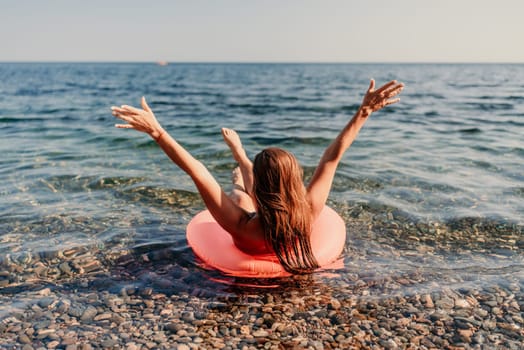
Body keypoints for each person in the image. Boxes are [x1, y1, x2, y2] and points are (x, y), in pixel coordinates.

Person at [111, 79, 404, 273]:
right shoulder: (310, 211)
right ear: (296, 182)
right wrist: (363, 112)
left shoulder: (240, 226)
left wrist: (157, 132)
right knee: (244, 196)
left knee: (238, 196)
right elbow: (331, 158)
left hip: (253, 222)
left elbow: (196, 170)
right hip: (283, 220)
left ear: (259, 189)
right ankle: (241, 161)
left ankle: (241, 171)